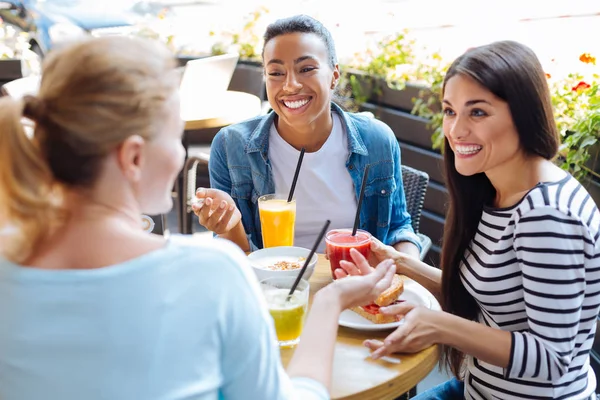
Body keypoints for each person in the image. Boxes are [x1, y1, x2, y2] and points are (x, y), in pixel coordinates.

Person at [0, 36, 398, 400]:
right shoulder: (210, 273)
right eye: (175, 137)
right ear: (134, 158)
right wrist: (329, 303)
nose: (179, 156)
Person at [336, 41, 600, 399]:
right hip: (475, 389)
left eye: (477, 113)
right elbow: (490, 298)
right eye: (449, 111)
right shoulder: (495, 191)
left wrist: (441, 326)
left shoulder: (547, 216)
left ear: (525, 114)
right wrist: (397, 262)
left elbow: (552, 359)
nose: (456, 130)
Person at [193, 15, 421, 257]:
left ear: (334, 75)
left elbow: (399, 228)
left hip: (357, 283)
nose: (290, 85)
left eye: (306, 69)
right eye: (276, 73)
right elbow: (235, 255)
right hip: (273, 289)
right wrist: (230, 226)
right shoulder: (231, 146)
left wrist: (405, 274)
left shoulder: (377, 140)